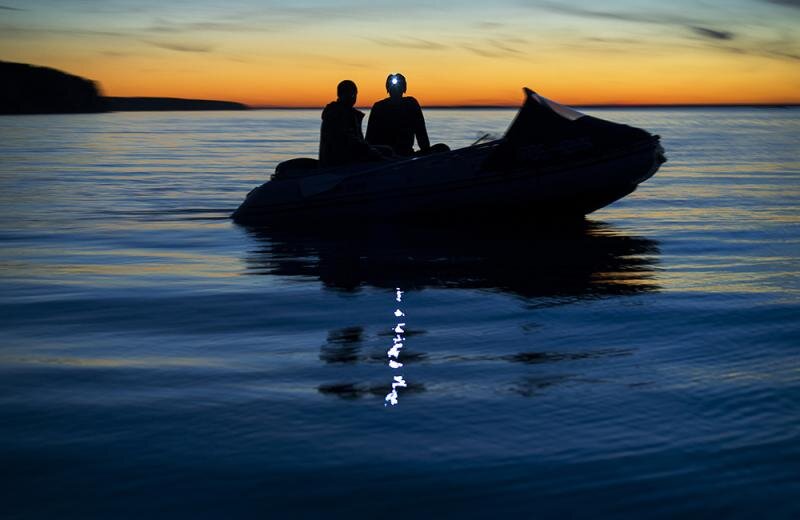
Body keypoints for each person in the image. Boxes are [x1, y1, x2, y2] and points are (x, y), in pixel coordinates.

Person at [367, 73, 443, 157]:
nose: (396, 88)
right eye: (393, 85)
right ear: (388, 88)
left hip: (406, 154)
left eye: (399, 84)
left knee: (442, 148)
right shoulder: (379, 107)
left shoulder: (411, 103)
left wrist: (426, 155)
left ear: (404, 88)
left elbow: (421, 133)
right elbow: (369, 138)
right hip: (385, 156)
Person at [319, 80, 384, 167]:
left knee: (386, 150)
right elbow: (347, 140)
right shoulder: (336, 114)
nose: (352, 97)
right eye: (348, 94)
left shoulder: (351, 114)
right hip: (339, 161)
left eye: (354, 94)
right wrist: (369, 150)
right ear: (340, 95)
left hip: (350, 155)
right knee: (383, 153)